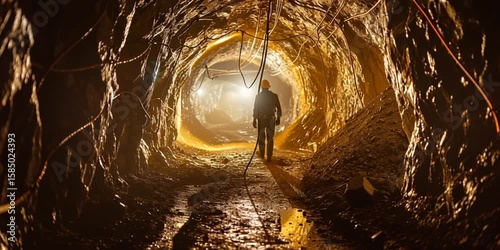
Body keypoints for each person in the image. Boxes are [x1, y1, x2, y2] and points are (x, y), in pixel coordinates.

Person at [253, 79, 282, 162]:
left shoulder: (258, 96)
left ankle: (262, 155)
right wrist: (278, 118)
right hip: (271, 119)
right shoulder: (274, 96)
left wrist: (254, 119)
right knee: (270, 138)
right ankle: (269, 156)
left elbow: (256, 109)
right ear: (268, 87)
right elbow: (278, 108)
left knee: (261, 137)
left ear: (261, 87)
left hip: (261, 119)